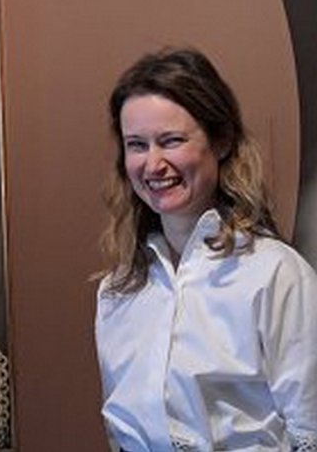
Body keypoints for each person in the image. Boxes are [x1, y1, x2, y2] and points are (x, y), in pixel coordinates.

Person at [94, 47, 317, 451]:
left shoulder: (276, 273)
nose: (153, 164)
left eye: (171, 141)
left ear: (222, 140)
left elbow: (310, 430)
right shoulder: (118, 290)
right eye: (137, 145)